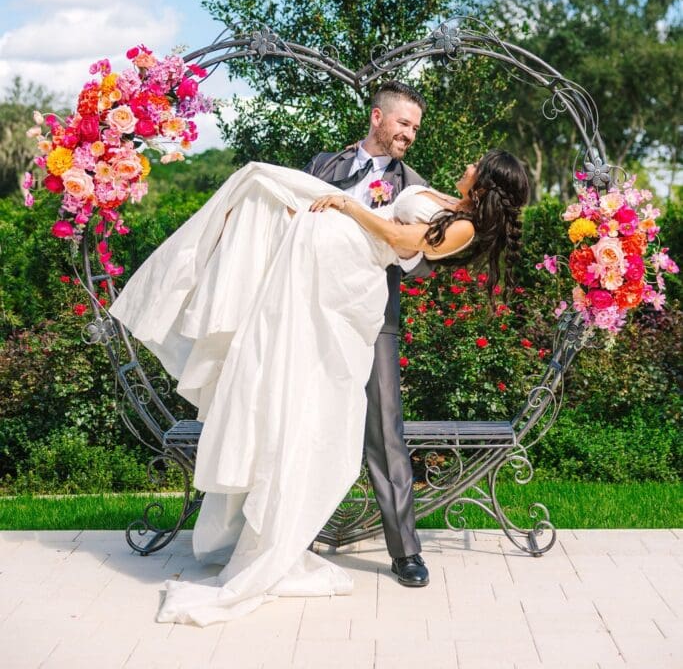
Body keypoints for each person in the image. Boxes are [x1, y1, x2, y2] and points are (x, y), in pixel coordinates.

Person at [109, 144, 529, 627]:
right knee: (257, 182)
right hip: (337, 247)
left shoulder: (465, 227)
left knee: (304, 373)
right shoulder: (447, 201)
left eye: (477, 164)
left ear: (487, 181)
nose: (468, 163)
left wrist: (350, 206)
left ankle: (315, 531)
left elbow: (399, 236)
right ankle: (201, 299)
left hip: (349, 267)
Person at [303, 80, 431, 587]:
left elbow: (421, 263)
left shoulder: (413, 185)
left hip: (376, 318)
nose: (410, 135)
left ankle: (405, 552)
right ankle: (293, 538)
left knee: (385, 430)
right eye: (404, 123)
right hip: (313, 311)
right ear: (377, 117)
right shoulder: (322, 166)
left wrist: (406, 251)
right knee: (304, 419)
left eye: (415, 128)